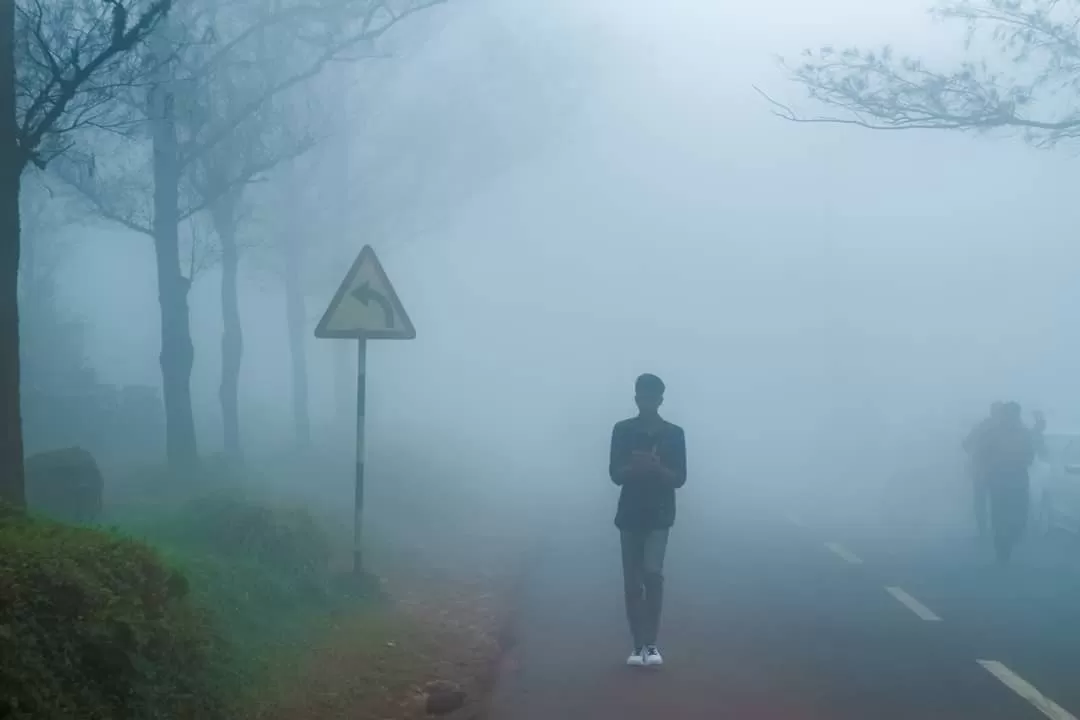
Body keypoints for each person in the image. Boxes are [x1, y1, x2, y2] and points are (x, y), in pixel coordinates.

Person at [609, 373, 687, 667]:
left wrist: (657, 469)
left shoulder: (674, 433)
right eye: (642, 397)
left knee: (652, 574)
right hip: (629, 513)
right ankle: (636, 645)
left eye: (652, 398)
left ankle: (651, 644)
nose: (647, 402)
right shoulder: (622, 430)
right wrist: (635, 467)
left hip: (659, 513)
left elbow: (680, 478)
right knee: (632, 583)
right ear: (636, 398)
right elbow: (615, 474)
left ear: (660, 400)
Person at [982, 401, 1037, 564]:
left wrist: (1021, 461)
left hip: (1018, 478)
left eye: (1014, 414)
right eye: (1009, 414)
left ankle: (1013, 536)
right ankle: (1002, 549)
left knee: (1020, 512)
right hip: (999, 479)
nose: (1011, 418)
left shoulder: (1024, 433)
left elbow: (1030, 455)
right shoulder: (992, 433)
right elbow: (982, 453)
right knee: (999, 514)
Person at [963, 402, 1004, 538]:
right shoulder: (1006, 429)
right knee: (997, 502)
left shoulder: (982, 426)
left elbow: (966, 444)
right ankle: (995, 529)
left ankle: (983, 530)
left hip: (981, 472)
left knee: (981, 502)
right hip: (996, 473)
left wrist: (975, 455)